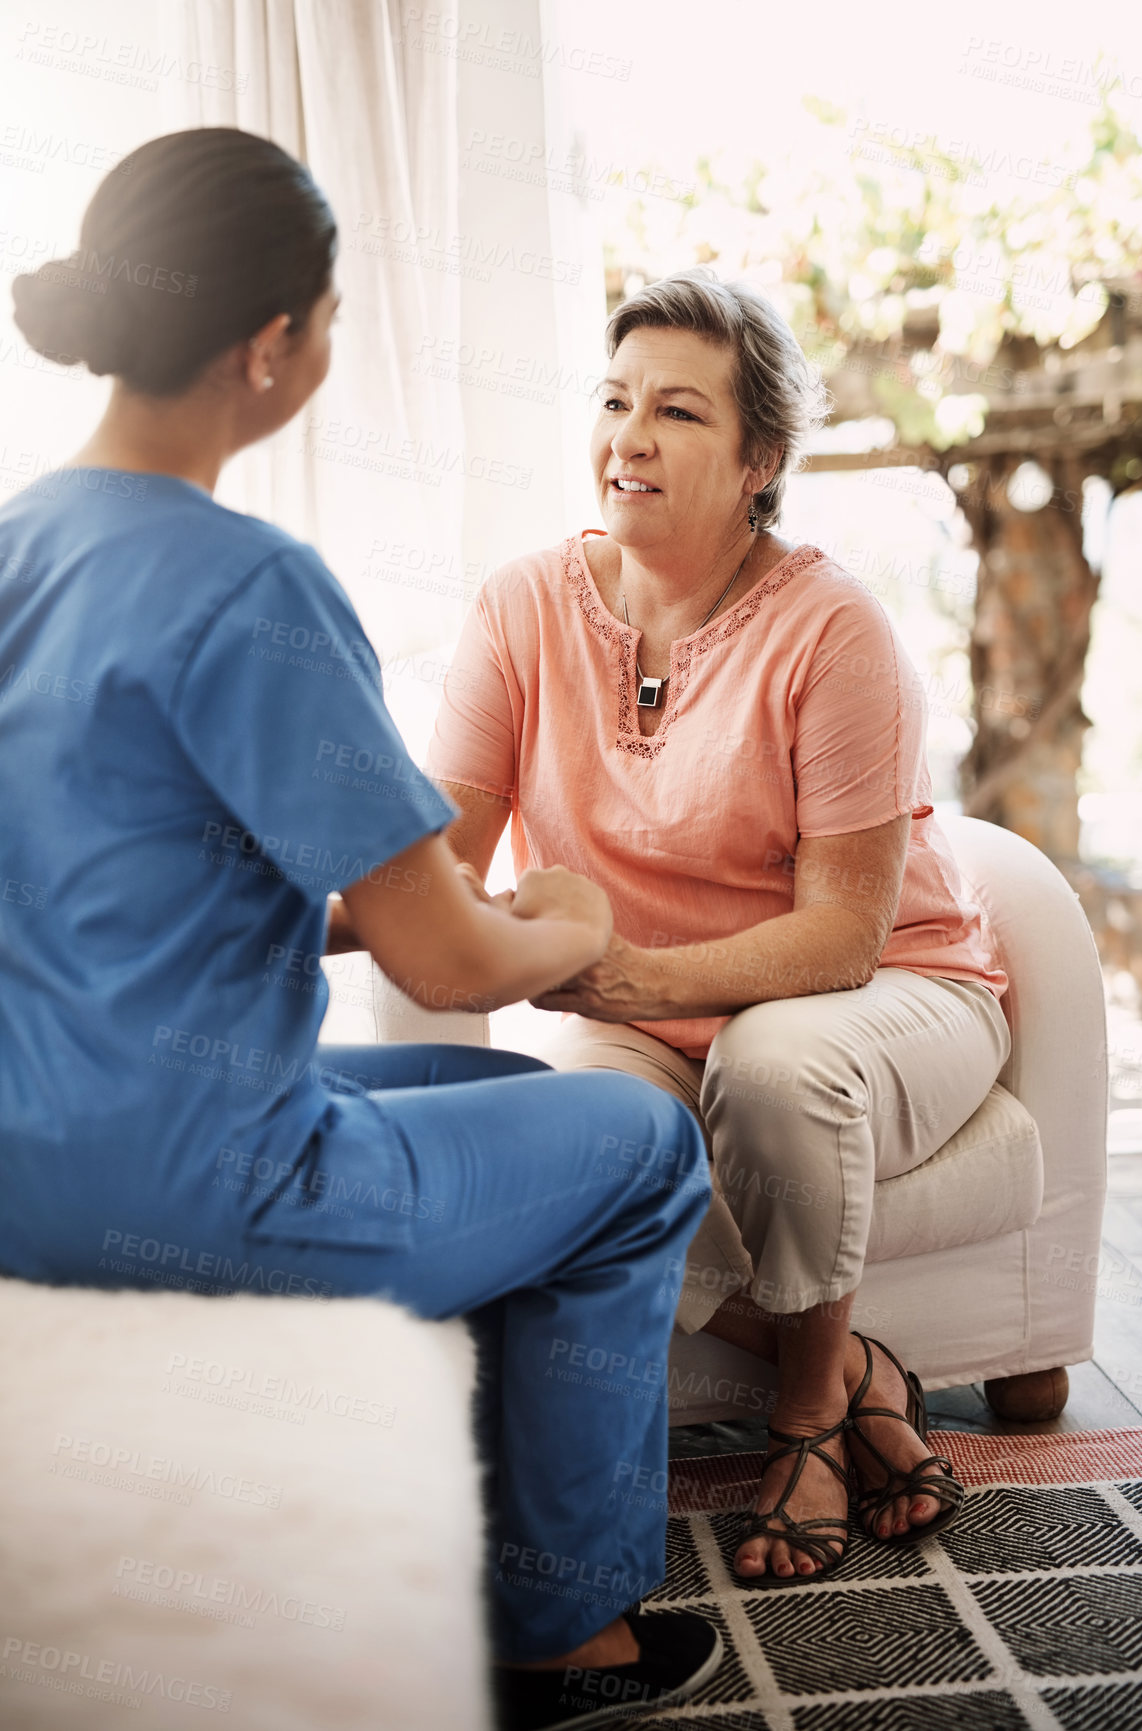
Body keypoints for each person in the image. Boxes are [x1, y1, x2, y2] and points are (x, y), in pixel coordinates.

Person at [0, 130, 725, 1730]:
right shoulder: (253, 584)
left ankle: (469, 1515)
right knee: (643, 1151)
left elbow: (116, 875)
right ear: (271, 345)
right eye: (328, 319)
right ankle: (563, 1636)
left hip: (25, 1149)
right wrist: (566, 921)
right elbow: (450, 961)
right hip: (201, 1186)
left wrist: (366, 913)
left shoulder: (20, 549)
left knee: (516, 1110)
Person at [429, 269, 1010, 1588]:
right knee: (583, 1143)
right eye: (617, 400)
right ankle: (859, 1369)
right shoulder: (520, 608)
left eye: (678, 413)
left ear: (760, 460)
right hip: (644, 1012)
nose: (629, 437)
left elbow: (840, 944)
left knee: (775, 1065)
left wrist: (628, 976)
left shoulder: (832, 627)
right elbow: (439, 866)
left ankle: (804, 1421)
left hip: (890, 992)